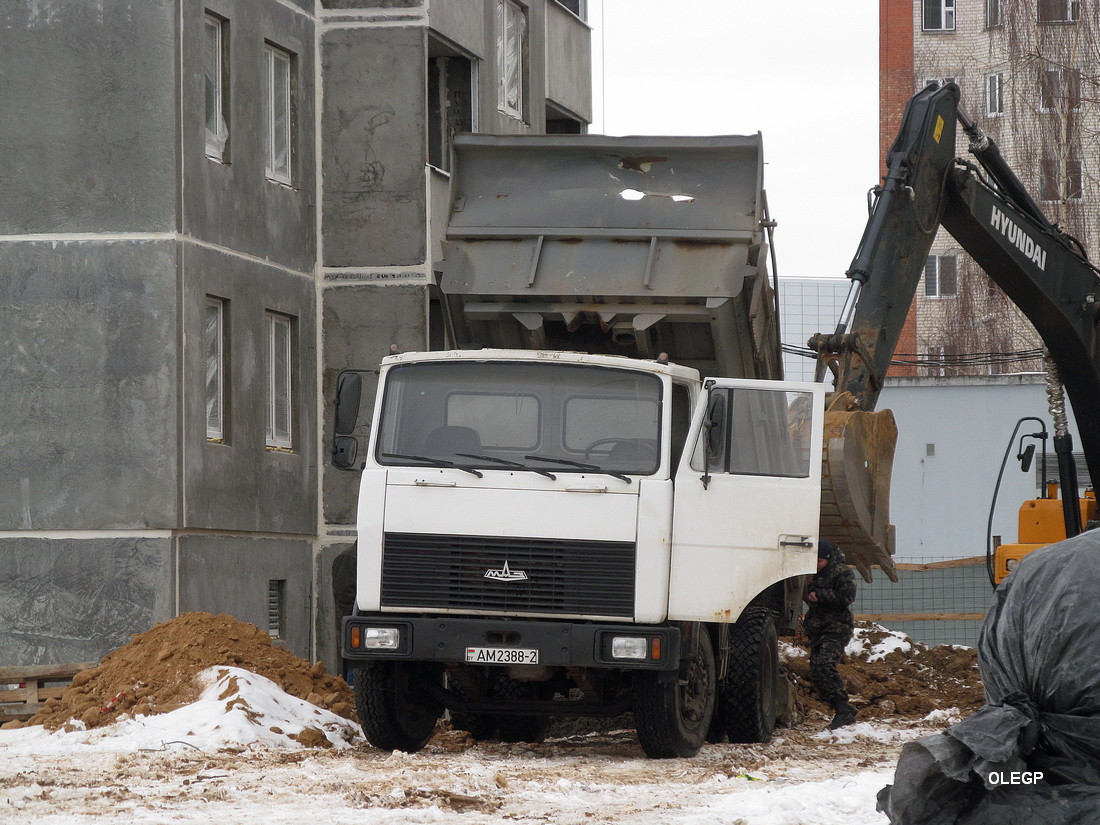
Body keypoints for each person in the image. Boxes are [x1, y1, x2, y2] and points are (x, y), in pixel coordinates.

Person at [804, 539, 858, 729]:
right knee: (816, 673)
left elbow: (847, 597)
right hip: (818, 629)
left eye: (820, 561)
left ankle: (843, 711)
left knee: (825, 665)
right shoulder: (811, 574)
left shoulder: (842, 572)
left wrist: (820, 595)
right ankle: (843, 709)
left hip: (836, 628)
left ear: (827, 558)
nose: (817, 565)